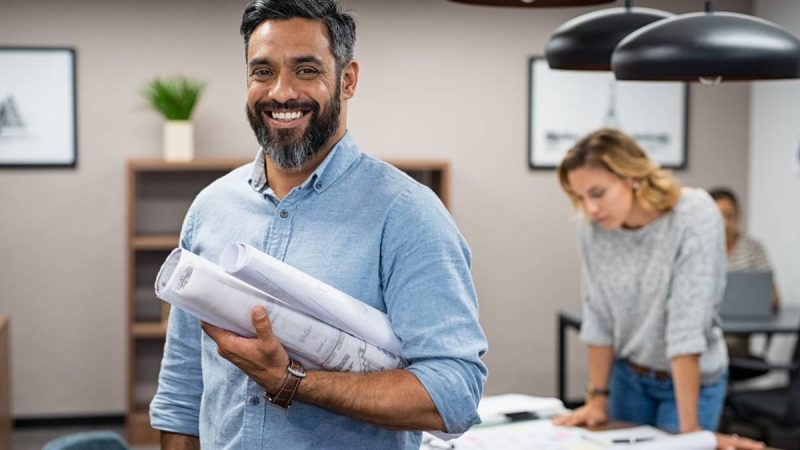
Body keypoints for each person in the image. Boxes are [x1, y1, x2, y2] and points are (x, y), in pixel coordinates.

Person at [148, 1, 488, 448]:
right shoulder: (211, 207)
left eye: (306, 70)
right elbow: (183, 388)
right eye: (263, 71)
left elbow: (453, 394)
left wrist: (292, 381)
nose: (281, 92)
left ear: (347, 80)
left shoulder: (408, 214)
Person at [552, 128, 763, 450]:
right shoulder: (593, 229)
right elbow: (598, 316)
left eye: (597, 193)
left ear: (632, 177)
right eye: (580, 197)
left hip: (692, 382)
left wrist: (691, 432)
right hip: (629, 377)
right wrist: (597, 400)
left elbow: (686, 325)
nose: (590, 208)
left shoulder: (693, 214)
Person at [709, 187, 780, 310]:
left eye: (729, 215)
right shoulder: (699, 250)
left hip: (747, 322)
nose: (724, 223)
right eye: (718, 216)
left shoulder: (753, 248)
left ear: (738, 216)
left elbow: (774, 297)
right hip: (709, 322)